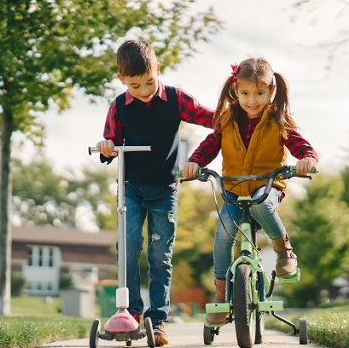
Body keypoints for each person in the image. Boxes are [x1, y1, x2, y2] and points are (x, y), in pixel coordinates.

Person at [96, 39, 213, 346]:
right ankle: (130, 314)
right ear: (122, 80)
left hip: (164, 189)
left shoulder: (175, 99)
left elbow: (210, 118)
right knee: (129, 249)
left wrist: (239, 116)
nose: (145, 91)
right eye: (136, 86)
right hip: (132, 188)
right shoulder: (119, 106)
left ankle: (157, 320)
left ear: (157, 70)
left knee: (160, 255)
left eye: (149, 82)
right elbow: (110, 144)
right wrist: (107, 147)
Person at [183, 57, 318, 324]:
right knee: (222, 235)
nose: (252, 100)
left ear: (271, 92)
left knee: (260, 203)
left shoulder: (279, 120)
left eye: (259, 93)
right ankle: (221, 297)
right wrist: (195, 161)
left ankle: (284, 251)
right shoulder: (227, 119)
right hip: (233, 189)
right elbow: (211, 144)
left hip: (268, 187)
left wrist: (308, 159)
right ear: (236, 91)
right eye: (245, 93)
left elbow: (301, 146)